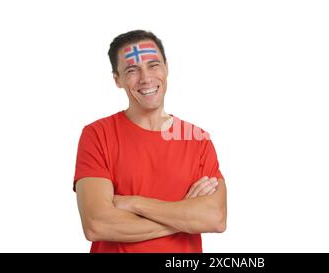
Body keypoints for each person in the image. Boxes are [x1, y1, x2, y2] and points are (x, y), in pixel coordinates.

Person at [73, 30, 226, 253]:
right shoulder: (97, 135)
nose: (146, 78)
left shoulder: (197, 139)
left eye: (153, 65)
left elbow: (215, 218)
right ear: (117, 79)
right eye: (132, 70)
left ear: (166, 67)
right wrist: (184, 217)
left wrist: (134, 203)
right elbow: (97, 224)